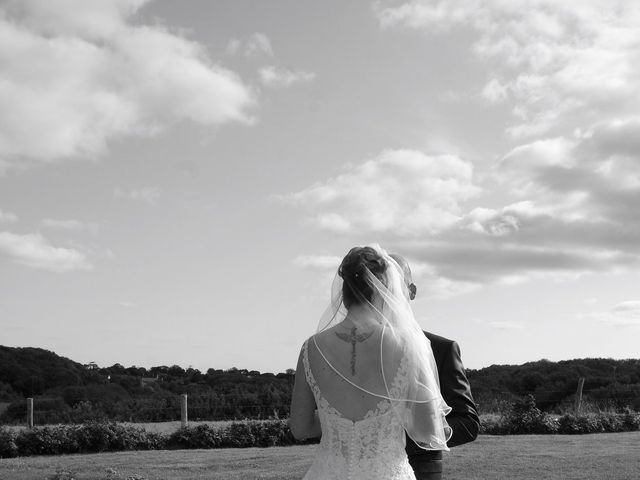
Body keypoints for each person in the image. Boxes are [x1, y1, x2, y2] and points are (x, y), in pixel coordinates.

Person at [289, 245, 452, 480]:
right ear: (384, 289)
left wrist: (336, 422)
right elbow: (427, 431)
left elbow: (300, 428)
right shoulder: (407, 344)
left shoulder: (311, 347)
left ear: (344, 293)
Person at [390, 254, 479, 480]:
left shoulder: (441, 349)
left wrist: (413, 435)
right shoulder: (348, 352)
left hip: (421, 471)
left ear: (412, 291)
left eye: (393, 283)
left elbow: (468, 423)